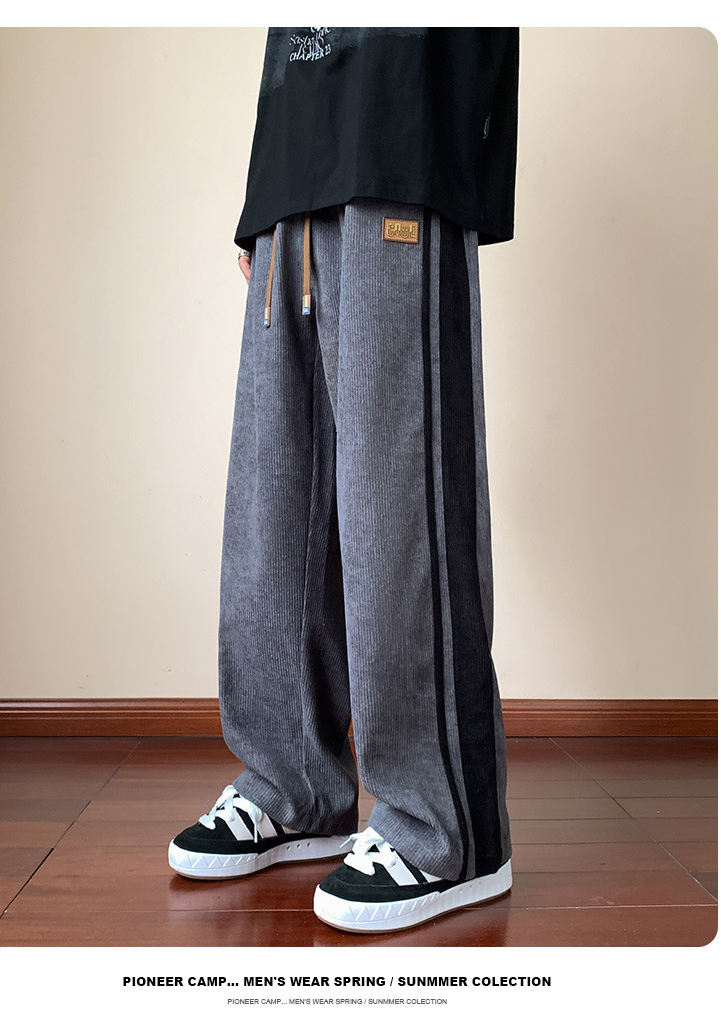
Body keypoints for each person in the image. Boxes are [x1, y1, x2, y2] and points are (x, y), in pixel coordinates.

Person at [169, 26, 519, 934]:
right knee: (273, 508)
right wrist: (262, 205)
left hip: (402, 147)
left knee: (395, 509)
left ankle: (448, 829)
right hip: (294, 179)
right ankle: (293, 787)